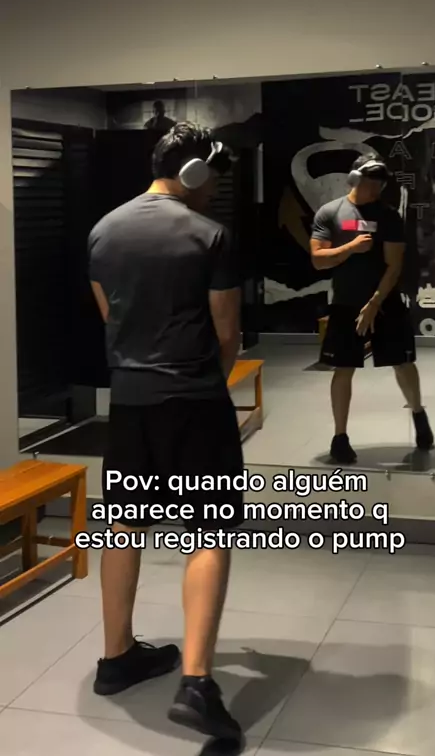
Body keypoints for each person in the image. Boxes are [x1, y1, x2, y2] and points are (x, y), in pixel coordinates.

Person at [88, 122, 243, 741]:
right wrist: (207, 386)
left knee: (124, 524)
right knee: (209, 532)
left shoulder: (104, 230)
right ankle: (198, 683)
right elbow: (227, 333)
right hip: (193, 402)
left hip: (129, 403)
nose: (215, 190)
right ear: (193, 173)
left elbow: (111, 316)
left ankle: (116, 657)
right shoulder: (209, 233)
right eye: (213, 179)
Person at [310, 152, 434, 464]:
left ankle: (418, 413)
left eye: (380, 183)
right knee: (343, 368)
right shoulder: (330, 213)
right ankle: (340, 437)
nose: (376, 188)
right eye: (370, 182)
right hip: (345, 303)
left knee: (402, 363)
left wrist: (374, 303)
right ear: (354, 179)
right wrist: (351, 248)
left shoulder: (389, 216)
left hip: (385, 301)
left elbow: (394, 265)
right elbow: (318, 260)